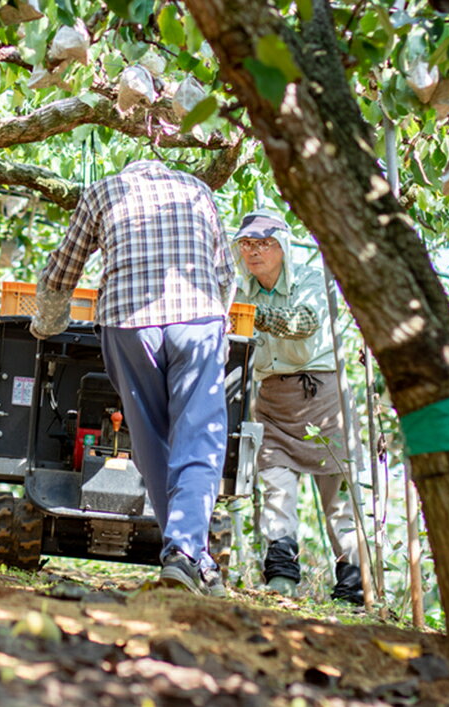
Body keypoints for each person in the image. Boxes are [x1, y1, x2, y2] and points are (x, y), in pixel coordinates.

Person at [31, 158, 236, 596]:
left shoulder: (104, 191)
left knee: (151, 444)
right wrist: (221, 327)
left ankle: (187, 555)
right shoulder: (197, 189)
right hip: (198, 319)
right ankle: (188, 554)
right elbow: (224, 275)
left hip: (129, 324)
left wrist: (46, 324)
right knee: (199, 439)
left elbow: (62, 271)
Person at [231, 210, 363, 605]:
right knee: (276, 489)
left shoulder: (310, 279)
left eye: (264, 243)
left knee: (339, 497)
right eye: (247, 244)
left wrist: (251, 316)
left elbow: (303, 322)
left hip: (323, 398)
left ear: (283, 247)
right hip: (272, 400)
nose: (254, 252)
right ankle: (282, 578)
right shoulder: (239, 291)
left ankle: (353, 587)